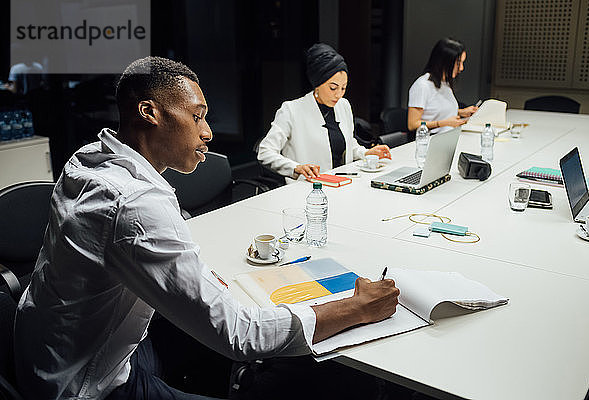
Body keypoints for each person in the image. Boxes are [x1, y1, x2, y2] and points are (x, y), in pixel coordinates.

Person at [14, 56, 400, 400]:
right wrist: (356, 307)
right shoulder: (133, 204)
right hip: (87, 384)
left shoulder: (93, 159)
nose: (208, 132)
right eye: (197, 116)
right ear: (149, 112)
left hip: (50, 354)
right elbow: (239, 335)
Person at [258, 43, 391, 182]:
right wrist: (295, 168)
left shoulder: (344, 106)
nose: (339, 94)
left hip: (342, 183)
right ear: (317, 83)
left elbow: (347, 144)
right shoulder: (291, 110)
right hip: (308, 187)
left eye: (343, 88)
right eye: (333, 88)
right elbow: (265, 152)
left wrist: (366, 153)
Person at [407, 38, 478, 134]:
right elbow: (412, 124)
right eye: (458, 63)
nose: (461, 68)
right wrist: (442, 123)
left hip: (449, 135)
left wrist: (461, 112)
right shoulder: (422, 86)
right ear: (445, 61)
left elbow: (435, 110)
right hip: (430, 139)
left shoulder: (445, 83)